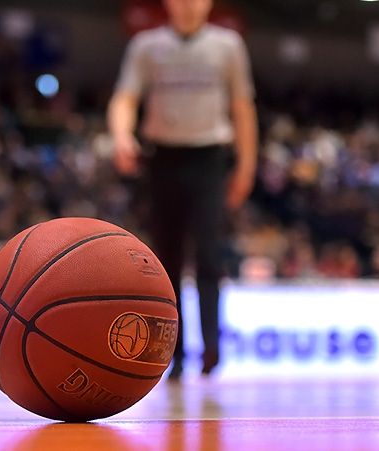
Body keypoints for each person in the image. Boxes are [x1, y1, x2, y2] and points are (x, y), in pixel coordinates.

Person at [108, 0, 257, 379]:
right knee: (165, 260)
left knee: (209, 254)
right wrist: (122, 135)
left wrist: (246, 165)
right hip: (163, 158)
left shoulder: (228, 45)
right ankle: (170, 354)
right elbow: (125, 98)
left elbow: (243, 108)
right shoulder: (146, 45)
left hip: (209, 158)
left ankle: (211, 350)